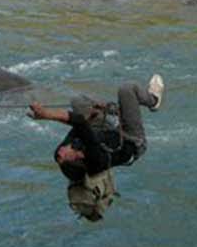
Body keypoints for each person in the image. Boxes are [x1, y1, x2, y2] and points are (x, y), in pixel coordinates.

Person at [28, 75, 163, 221]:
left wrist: (92, 115)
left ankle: (119, 109)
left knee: (78, 102)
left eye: (60, 156)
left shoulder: (61, 155)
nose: (61, 151)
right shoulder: (95, 159)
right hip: (130, 139)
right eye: (66, 153)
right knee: (127, 89)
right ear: (79, 156)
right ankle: (153, 100)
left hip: (102, 132)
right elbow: (79, 122)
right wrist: (46, 114)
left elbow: (77, 127)